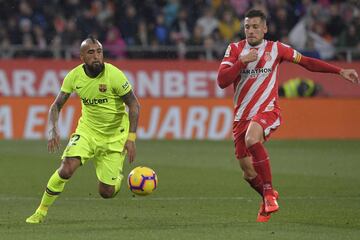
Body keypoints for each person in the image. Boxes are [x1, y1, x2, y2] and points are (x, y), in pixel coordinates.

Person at [216, 9, 359, 223]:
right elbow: (222, 81)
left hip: (267, 111)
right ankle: (269, 197)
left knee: (252, 138)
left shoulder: (276, 49)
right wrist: (242, 62)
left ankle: (268, 193)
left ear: (265, 29)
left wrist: (339, 71)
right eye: (247, 27)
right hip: (241, 117)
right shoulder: (235, 50)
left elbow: (307, 62)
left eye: (255, 26)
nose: (251, 31)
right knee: (247, 172)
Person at [26, 36, 140, 224]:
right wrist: (53, 128)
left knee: (106, 192)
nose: (96, 56)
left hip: (114, 136)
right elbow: (56, 106)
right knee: (66, 169)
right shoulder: (74, 76)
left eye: (99, 51)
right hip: (87, 132)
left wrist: (131, 138)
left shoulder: (115, 75)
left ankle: (118, 179)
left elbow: (134, 105)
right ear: (81, 57)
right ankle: (41, 211)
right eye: (91, 52)